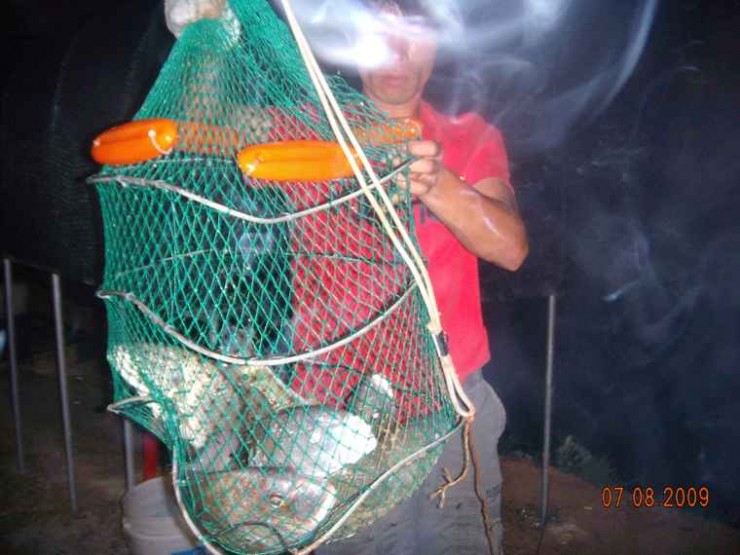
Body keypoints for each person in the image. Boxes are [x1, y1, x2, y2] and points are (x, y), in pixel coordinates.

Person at [165, 1, 528, 553]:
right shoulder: (308, 127)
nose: (395, 51)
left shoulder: (470, 135)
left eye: (411, 33)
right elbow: (198, 129)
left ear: (437, 43)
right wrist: (208, 34)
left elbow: (510, 248)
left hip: (453, 401)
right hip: (334, 407)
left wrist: (435, 182)